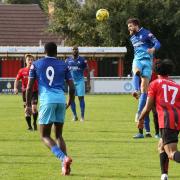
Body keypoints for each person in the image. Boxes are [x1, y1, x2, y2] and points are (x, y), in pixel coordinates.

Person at [25, 42, 75, 176]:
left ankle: (63, 158)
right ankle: (65, 168)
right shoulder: (64, 65)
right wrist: (70, 101)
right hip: (60, 100)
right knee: (58, 135)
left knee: (44, 135)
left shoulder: (36, 64)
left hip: (47, 101)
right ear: (56, 52)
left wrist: (28, 105)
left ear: (44, 51)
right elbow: (72, 86)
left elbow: (29, 87)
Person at [137, 59, 180, 180]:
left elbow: (148, 106)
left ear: (155, 71)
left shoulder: (154, 84)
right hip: (176, 118)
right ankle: (164, 175)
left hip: (167, 119)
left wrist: (140, 120)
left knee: (171, 152)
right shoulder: (176, 85)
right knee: (161, 146)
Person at [127, 18, 161, 138]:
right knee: (136, 70)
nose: (129, 29)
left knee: (144, 92)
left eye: (130, 26)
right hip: (138, 60)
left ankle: (144, 126)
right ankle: (135, 89)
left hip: (147, 62)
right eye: (128, 27)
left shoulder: (146, 33)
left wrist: (153, 49)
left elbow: (158, 43)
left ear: (136, 25)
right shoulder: (132, 37)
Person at [66, 46, 91, 122]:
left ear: (78, 51)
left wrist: (88, 83)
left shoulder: (82, 60)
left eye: (76, 49)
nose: (75, 50)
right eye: (73, 49)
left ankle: (82, 117)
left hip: (80, 81)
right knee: (71, 99)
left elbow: (88, 71)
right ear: (71, 51)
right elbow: (64, 71)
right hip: (71, 82)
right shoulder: (67, 60)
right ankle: (75, 116)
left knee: (81, 98)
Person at [14, 54, 38, 131]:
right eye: (29, 60)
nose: (30, 61)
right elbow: (17, 80)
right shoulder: (22, 70)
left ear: (33, 61)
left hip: (34, 92)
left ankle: (34, 122)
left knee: (34, 108)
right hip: (25, 93)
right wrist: (15, 88)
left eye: (31, 60)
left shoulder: (36, 70)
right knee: (27, 110)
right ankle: (29, 126)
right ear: (26, 61)